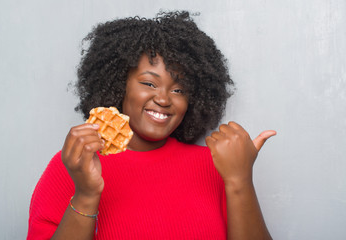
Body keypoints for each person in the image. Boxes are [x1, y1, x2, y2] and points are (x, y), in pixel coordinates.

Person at [27, 10, 276, 240]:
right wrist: (85, 194)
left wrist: (240, 179)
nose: (164, 99)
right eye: (149, 83)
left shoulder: (218, 165)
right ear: (118, 84)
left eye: (178, 89)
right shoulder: (74, 165)